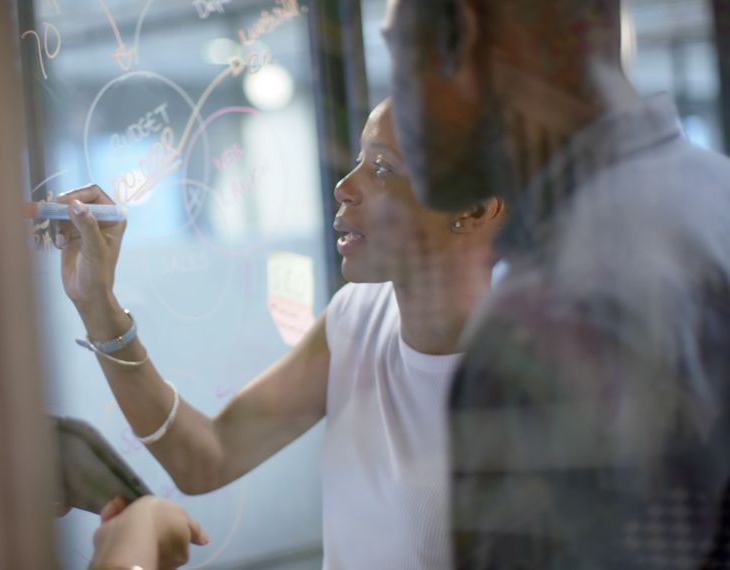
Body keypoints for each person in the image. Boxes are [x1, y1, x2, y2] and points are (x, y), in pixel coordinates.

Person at [56, 98, 505, 568]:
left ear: (474, 209)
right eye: (357, 161)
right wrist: (97, 304)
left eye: (382, 168)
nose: (344, 187)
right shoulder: (356, 319)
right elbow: (209, 457)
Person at [381, 0, 730, 567]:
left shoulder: (549, 319)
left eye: (398, 60)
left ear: (461, 38)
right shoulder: (714, 193)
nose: (397, 104)